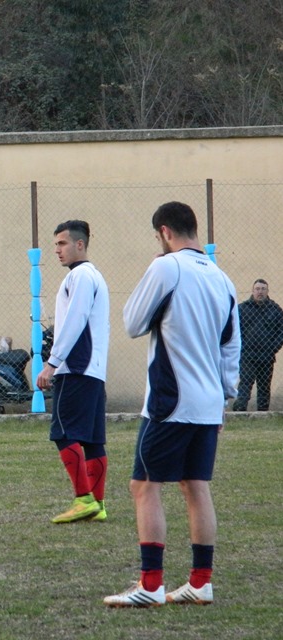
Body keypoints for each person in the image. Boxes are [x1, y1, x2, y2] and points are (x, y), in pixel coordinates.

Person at [105, 201, 240, 607]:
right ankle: (200, 582)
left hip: (171, 401)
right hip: (207, 402)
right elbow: (231, 347)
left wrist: (153, 271)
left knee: (144, 486)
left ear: (164, 232)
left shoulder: (166, 268)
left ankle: (149, 586)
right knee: (196, 486)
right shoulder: (223, 278)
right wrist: (223, 399)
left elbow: (132, 322)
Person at [35, 220, 111, 524]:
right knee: (92, 440)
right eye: (55, 244)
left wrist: (53, 362)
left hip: (75, 368)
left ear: (80, 245)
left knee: (63, 433)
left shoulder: (80, 276)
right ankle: (99, 504)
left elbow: (75, 321)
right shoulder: (95, 276)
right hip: (92, 371)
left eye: (62, 244)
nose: (57, 250)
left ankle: (83, 499)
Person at [232, 279, 283, 411]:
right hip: (247, 355)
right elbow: (235, 330)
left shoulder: (275, 310)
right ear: (252, 290)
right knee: (245, 384)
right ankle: (240, 410)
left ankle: (263, 413)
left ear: (267, 291)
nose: (260, 291)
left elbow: (281, 331)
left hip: (266, 356)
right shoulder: (242, 309)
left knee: (264, 386)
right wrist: (241, 347)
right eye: (257, 289)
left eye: (263, 289)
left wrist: (273, 348)